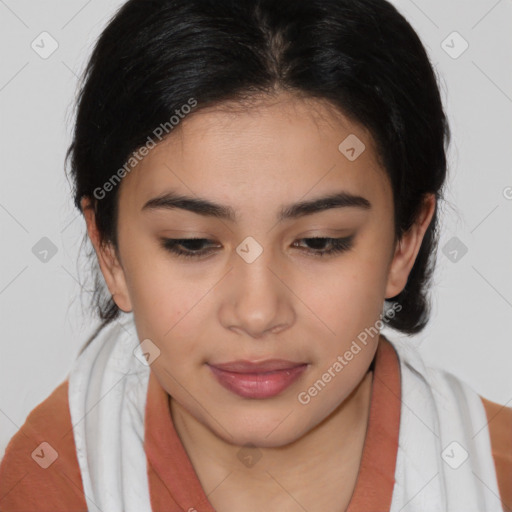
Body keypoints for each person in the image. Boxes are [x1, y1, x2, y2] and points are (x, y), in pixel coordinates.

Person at [0, 0, 510, 511]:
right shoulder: (48, 484)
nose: (258, 312)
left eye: (319, 242)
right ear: (108, 251)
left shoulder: (496, 478)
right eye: (192, 243)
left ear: (405, 242)